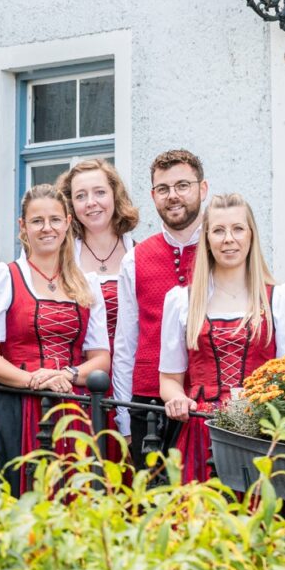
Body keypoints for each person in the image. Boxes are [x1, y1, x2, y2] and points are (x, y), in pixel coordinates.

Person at [0, 184, 109, 492]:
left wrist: (66, 375)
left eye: (55, 220)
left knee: (73, 494)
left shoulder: (87, 284)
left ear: (68, 222)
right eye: (37, 221)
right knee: (22, 493)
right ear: (23, 226)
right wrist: (35, 380)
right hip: (18, 406)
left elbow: (101, 359)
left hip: (72, 406)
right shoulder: (1, 276)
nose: (47, 228)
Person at [159, 194, 285, 482]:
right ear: (207, 239)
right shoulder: (182, 300)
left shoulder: (278, 298)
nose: (229, 239)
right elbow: (169, 380)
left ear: (251, 235)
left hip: (261, 433)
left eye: (238, 229)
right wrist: (177, 400)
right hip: (202, 431)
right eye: (218, 230)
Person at [113, 149, 208, 469]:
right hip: (150, 406)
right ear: (154, 196)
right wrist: (125, 419)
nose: (173, 196)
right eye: (163, 189)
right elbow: (126, 344)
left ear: (202, 189)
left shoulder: (223, 250)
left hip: (209, 403)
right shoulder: (134, 259)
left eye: (182, 185)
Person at [57, 159, 138, 458]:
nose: (91, 202)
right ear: (70, 206)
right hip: (83, 382)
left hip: (134, 382)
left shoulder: (138, 253)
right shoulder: (62, 258)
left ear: (115, 195)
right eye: (80, 196)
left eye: (99, 192)